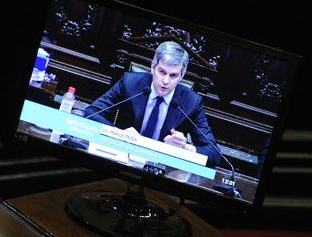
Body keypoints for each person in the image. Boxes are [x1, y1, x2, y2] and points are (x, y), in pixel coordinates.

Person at [84, 41, 222, 167]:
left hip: (161, 169)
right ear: (152, 67)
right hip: (121, 160)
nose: (166, 81)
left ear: (182, 76)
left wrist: (185, 148)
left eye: (173, 75)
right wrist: (121, 135)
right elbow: (90, 113)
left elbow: (215, 154)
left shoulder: (192, 102)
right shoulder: (130, 83)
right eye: (162, 72)